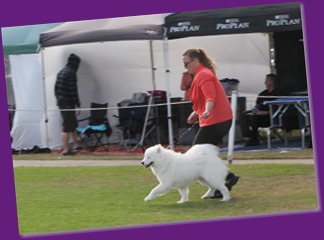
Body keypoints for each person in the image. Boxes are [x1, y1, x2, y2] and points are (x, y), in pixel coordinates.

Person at [183, 48, 239, 198]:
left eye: (186, 64)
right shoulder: (200, 74)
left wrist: (207, 111)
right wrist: (196, 113)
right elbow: (203, 99)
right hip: (216, 120)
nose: (185, 67)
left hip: (216, 120)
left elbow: (210, 97)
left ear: (196, 61)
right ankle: (223, 181)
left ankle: (226, 179)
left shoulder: (204, 75)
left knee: (197, 155)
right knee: (204, 156)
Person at [240, 73, 280, 147]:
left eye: (267, 80)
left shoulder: (278, 93)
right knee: (244, 116)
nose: (265, 82)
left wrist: (263, 113)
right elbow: (257, 106)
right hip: (258, 115)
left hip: (270, 117)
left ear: (272, 81)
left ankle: (254, 138)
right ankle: (249, 136)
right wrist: (251, 111)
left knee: (254, 118)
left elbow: (278, 108)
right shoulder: (263, 94)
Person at [54, 53, 82, 155]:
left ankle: (76, 144)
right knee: (66, 126)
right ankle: (65, 150)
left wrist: (59, 100)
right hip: (67, 104)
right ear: (76, 64)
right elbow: (73, 91)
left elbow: (56, 89)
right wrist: (77, 105)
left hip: (61, 102)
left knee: (72, 124)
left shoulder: (61, 72)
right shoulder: (71, 73)